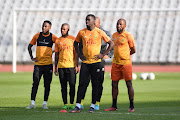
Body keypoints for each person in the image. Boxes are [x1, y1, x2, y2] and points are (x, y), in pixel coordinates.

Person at [69, 14, 114, 113]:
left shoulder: (99, 32)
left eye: (88, 20)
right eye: (86, 20)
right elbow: (75, 43)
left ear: (94, 21)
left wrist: (103, 54)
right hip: (85, 63)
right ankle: (78, 106)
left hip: (96, 63)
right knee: (82, 85)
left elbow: (111, 43)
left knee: (95, 85)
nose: (86, 22)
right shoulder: (81, 32)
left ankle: (93, 106)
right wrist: (80, 55)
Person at [104, 18, 136, 112]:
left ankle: (131, 106)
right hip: (116, 63)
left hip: (125, 63)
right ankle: (114, 105)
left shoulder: (128, 35)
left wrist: (125, 56)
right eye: (117, 24)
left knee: (128, 84)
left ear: (125, 26)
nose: (118, 26)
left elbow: (133, 50)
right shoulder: (114, 35)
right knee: (114, 84)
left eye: (121, 24)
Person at [26, 20, 58, 109]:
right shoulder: (37, 36)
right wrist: (32, 57)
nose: (43, 28)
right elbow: (29, 46)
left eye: (45, 26)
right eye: (43, 26)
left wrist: (53, 51)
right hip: (38, 65)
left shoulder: (52, 37)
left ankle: (45, 103)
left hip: (48, 65)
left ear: (50, 27)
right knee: (35, 83)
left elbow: (60, 44)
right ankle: (32, 103)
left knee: (47, 84)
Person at [54, 23, 79, 110]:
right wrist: (55, 67)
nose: (62, 30)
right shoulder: (58, 40)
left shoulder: (73, 39)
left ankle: (72, 103)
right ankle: (65, 103)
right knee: (63, 86)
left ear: (68, 30)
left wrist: (76, 65)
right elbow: (56, 55)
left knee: (72, 85)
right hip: (61, 66)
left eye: (64, 29)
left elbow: (76, 54)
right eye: (61, 29)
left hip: (71, 66)